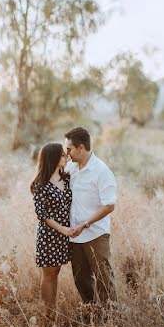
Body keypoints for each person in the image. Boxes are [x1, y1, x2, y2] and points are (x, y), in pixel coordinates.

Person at [63, 127, 117, 305]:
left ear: (80, 147)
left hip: (95, 234)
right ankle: (92, 316)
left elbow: (109, 205)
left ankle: (110, 321)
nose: (67, 153)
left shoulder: (101, 171)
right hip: (74, 235)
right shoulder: (70, 168)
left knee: (104, 278)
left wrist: (85, 224)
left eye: (69, 149)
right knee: (81, 279)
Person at [30, 142, 73, 323]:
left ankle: (52, 312)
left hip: (66, 235)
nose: (66, 157)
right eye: (63, 155)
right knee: (48, 274)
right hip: (49, 235)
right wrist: (62, 229)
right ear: (54, 158)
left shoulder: (67, 178)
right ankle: (48, 315)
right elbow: (43, 215)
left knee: (56, 272)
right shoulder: (40, 184)